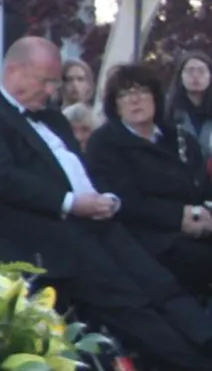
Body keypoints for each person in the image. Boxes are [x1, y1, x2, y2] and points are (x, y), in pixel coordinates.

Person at [0, 37, 212, 371]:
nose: (51, 91)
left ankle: (206, 344)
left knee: (160, 282)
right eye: (44, 81)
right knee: (127, 300)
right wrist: (70, 202)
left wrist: (103, 199)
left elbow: (80, 174)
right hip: (43, 234)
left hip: (93, 221)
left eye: (53, 82)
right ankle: (197, 369)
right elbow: (1, 178)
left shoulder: (52, 120)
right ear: (14, 71)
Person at [84, 64, 212, 297]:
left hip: (196, 227)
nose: (135, 100)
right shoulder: (104, 144)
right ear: (115, 106)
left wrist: (205, 213)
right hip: (141, 237)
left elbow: (203, 186)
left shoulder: (180, 139)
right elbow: (120, 199)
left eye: (142, 91)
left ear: (155, 97)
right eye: (124, 94)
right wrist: (177, 217)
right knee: (196, 259)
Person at [167, 52, 212, 163]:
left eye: (201, 71)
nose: (195, 76)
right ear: (180, 76)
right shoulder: (169, 110)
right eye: (190, 71)